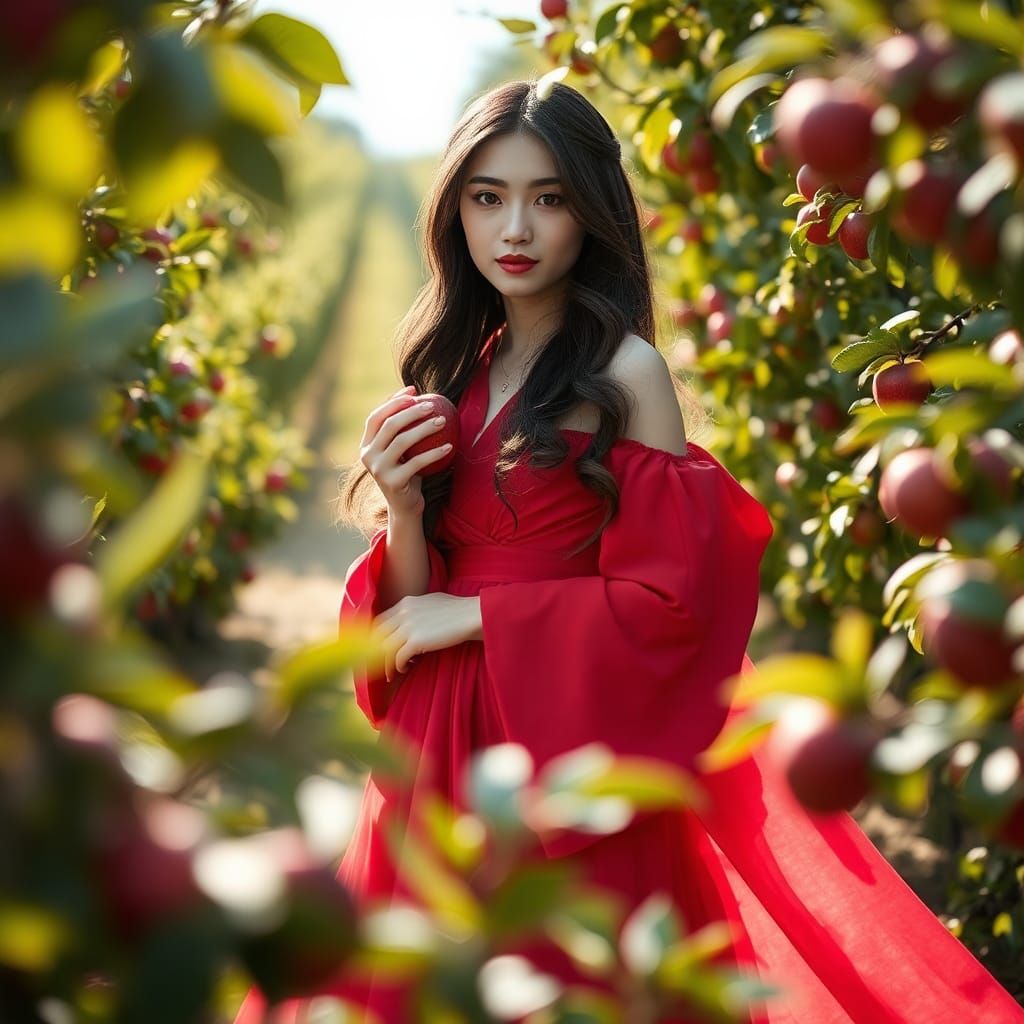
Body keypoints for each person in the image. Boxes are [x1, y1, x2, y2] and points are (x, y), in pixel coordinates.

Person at [233, 80, 1024, 1023]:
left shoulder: (626, 375)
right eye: (487, 196)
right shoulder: (455, 368)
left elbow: (670, 609)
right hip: (438, 752)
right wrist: (403, 516)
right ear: (455, 212)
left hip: (569, 752)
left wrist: (479, 613)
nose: (514, 226)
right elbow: (403, 628)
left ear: (592, 211)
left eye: (549, 196)